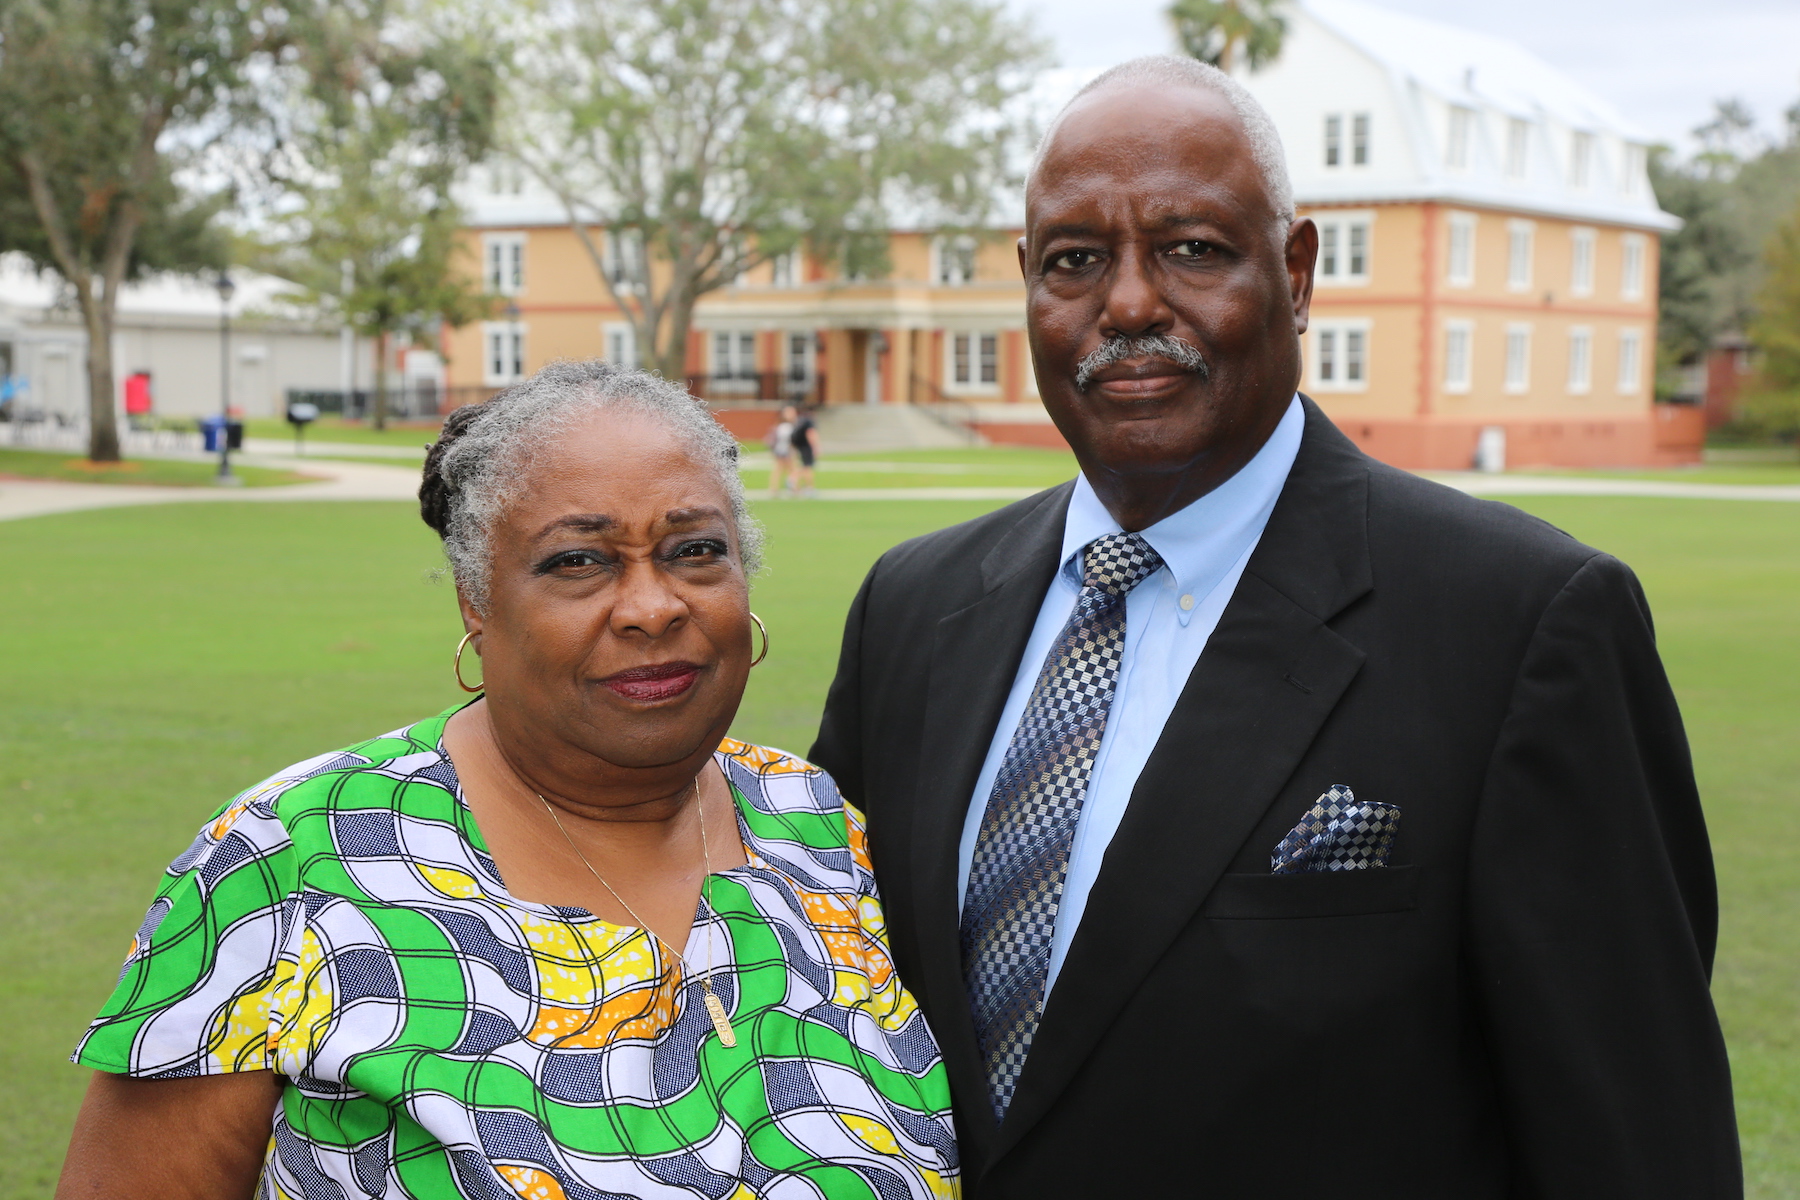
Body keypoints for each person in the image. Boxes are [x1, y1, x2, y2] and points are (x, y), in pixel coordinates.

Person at [809, 56, 1739, 1198]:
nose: (1131, 303)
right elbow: (825, 1016)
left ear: (1296, 275)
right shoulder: (913, 611)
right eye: (1075, 260)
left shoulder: (1523, 627)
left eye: (1193, 249)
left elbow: (1637, 1141)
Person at [58, 362, 959, 1199]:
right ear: (476, 603)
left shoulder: (817, 827)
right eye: (578, 561)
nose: (653, 606)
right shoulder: (292, 863)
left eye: (695, 550)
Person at [767, 404, 797, 498]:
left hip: (782, 449)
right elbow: (788, 440)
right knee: (789, 469)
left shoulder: (783, 425)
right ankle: (790, 488)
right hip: (784, 450)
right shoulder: (785, 426)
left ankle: (775, 488)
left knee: (784, 469)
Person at [790, 405, 818, 497]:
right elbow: (810, 433)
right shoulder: (809, 422)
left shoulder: (801, 421)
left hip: (800, 446)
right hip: (806, 447)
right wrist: (815, 447)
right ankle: (809, 487)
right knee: (807, 467)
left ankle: (794, 481)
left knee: (803, 466)